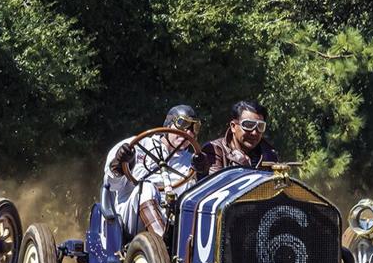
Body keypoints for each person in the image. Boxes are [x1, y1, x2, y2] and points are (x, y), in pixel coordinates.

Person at [103, 105, 207, 237]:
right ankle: (162, 242)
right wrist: (119, 164)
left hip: (174, 223)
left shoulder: (191, 161)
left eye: (195, 128)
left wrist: (202, 175)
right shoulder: (137, 146)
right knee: (147, 187)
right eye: (183, 124)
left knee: (191, 188)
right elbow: (112, 186)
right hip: (130, 223)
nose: (188, 132)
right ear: (168, 125)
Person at [202, 100, 279, 175]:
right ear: (233, 126)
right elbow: (216, 186)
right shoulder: (215, 150)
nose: (254, 133)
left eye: (260, 126)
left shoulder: (269, 155)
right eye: (248, 125)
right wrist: (244, 169)